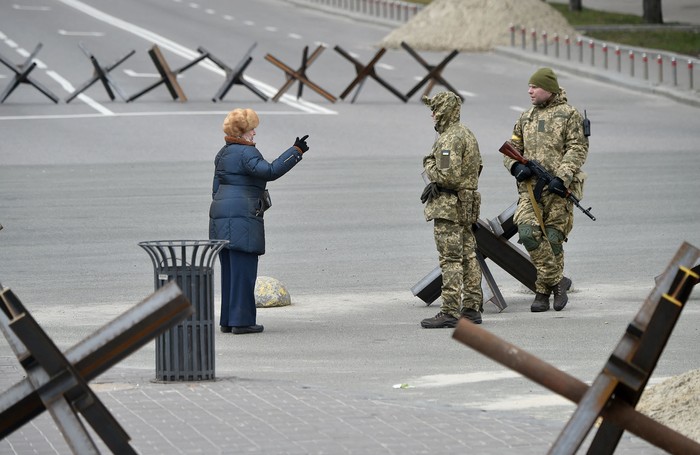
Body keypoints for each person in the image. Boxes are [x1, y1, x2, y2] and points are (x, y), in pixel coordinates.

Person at [209, 108, 309, 334]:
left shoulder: (222, 153)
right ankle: (242, 322)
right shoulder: (247, 154)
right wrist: (295, 151)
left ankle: (228, 320)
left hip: (219, 215)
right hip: (243, 217)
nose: (254, 133)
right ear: (242, 132)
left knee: (230, 272)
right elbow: (270, 171)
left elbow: (215, 189)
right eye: (251, 129)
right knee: (244, 271)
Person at [504, 67, 589, 312]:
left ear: (548, 89)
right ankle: (558, 282)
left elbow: (577, 149)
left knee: (553, 239)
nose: (530, 91)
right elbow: (511, 148)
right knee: (528, 233)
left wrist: (562, 177)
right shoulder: (525, 117)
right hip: (530, 190)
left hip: (559, 190)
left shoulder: (569, 115)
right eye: (529, 87)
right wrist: (515, 167)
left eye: (534, 87)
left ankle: (542, 291)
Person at [420, 91, 483, 328]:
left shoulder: (449, 139)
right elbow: (476, 168)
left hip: (449, 205)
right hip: (466, 203)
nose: (433, 115)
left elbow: (447, 174)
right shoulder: (467, 134)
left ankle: (449, 311)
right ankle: (472, 307)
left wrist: (428, 163)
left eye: (435, 110)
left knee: (451, 259)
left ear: (445, 111)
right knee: (468, 256)